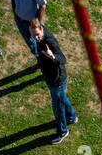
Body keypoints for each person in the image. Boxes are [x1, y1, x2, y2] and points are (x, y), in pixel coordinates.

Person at [29, 16, 77, 145]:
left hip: (57, 80)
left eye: (37, 34)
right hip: (51, 77)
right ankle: (72, 117)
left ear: (42, 29)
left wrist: (53, 56)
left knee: (57, 107)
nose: (36, 38)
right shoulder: (40, 40)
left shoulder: (50, 41)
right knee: (61, 99)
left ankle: (62, 132)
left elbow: (63, 59)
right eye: (33, 35)